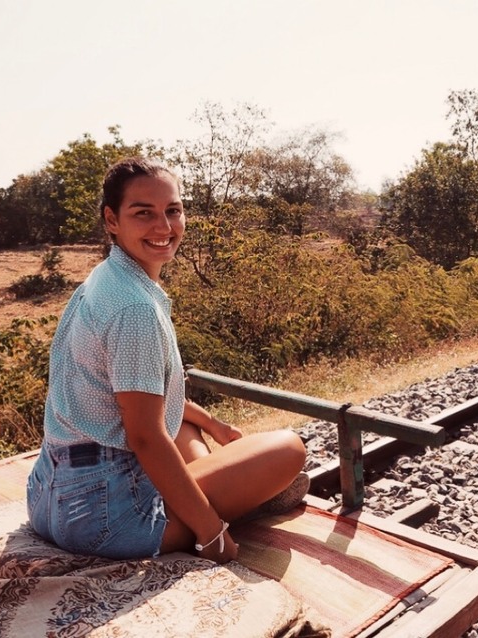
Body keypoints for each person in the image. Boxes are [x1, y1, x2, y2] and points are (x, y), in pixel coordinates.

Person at [26, 157, 308, 564]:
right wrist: (212, 533)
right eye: (144, 213)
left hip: (49, 497)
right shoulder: (134, 309)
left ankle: (227, 488)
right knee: (288, 448)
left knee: (186, 426)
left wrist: (213, 423)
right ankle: (236, 503)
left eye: (172, 211)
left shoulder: (104, 279)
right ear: (111, 219)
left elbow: (142, 399)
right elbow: (144, 436)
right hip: (103, 519)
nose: (163, 227)